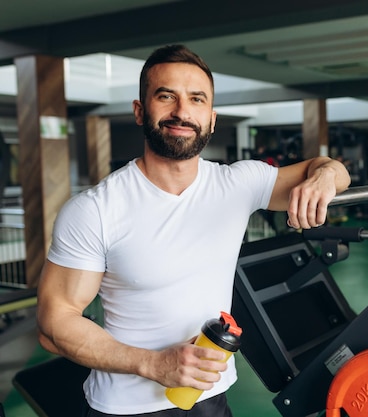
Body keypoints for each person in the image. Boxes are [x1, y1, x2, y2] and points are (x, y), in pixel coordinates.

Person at [36, 44, 350, 417]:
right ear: (140, 111)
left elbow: (331, 168)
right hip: (125, 408)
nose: (182, 112)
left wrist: (324, 178)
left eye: (196, 99)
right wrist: (154, 365)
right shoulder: (96, 210)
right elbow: (55, 322)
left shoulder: (237, 184)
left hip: (211, 399)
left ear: (212, 118)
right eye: (166, 96)